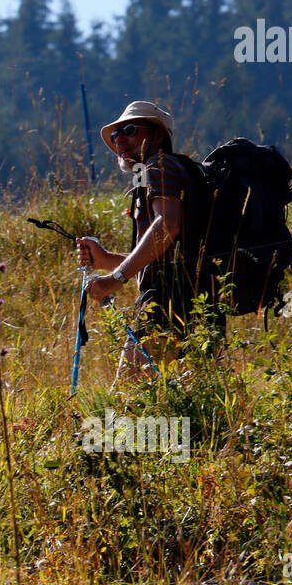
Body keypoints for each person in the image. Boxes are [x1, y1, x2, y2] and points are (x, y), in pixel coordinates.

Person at [75, 100, 219, 380]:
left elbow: (167, 226)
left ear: (158, 135)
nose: (120, 140)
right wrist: (105, 260)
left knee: (129, 407)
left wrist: (115, 278)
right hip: (204, 309)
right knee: (193, 413)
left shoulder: (158, 167)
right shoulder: (183, 170)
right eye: (115, 136)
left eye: (129, 130)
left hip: (163, 309)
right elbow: (166, 255)